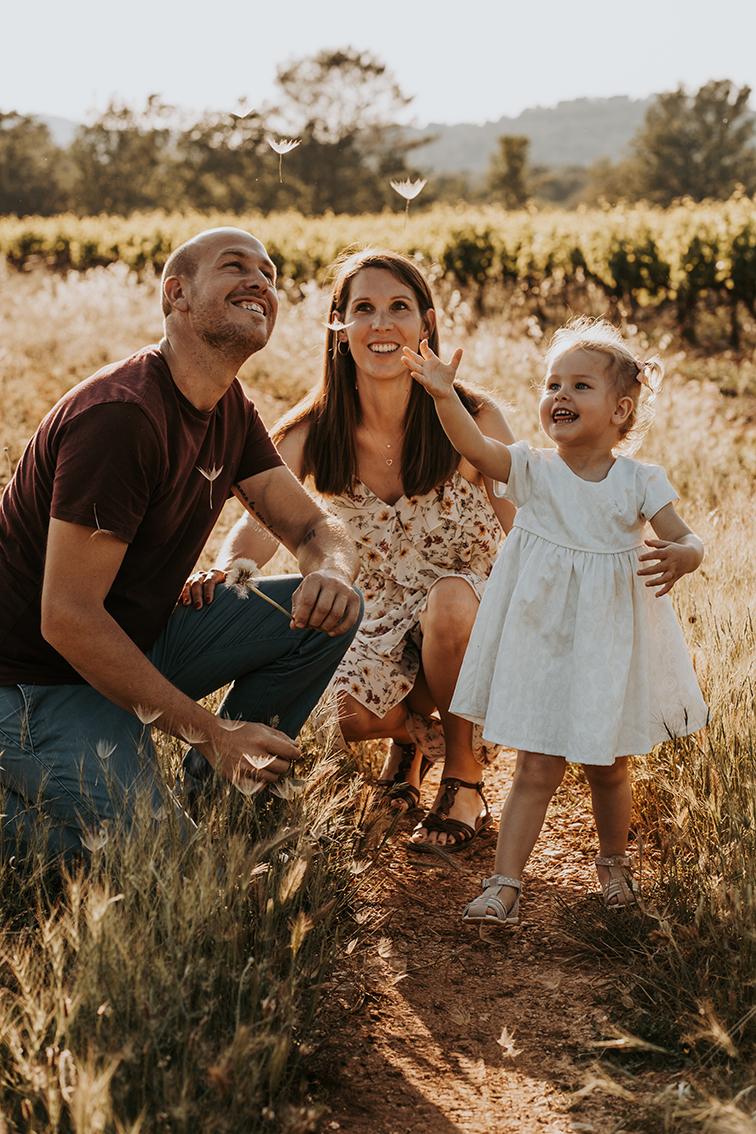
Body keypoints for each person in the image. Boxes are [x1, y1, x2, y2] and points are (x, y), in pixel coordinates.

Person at [0, 227, 362, 864]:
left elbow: (312, 528)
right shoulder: (121, 417)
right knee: (164, 860)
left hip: (132, 642)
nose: (261, 282)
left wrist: (330, 569)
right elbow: (67, 619)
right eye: (235, 266)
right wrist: (210, 732)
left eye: (269, 273)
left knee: (331, 615)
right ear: (178, 296)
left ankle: (222, 798)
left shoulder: (228, 409)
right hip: (33, 680)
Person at [183, 248, 516, 850]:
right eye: (363, 308)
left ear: (427, 324)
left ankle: (464, 778)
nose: (382, 324)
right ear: (340, 326)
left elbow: (521, 526)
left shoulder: (472, 416)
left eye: (399, 308)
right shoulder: (314, 428)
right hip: (383, 609)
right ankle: (411, 741)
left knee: (448, 602)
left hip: (473, 602)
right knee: (349, 715)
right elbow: (260, 524)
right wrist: (232, 566)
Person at [403, 316, 707, 930]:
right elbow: (474, 447)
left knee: (608, 765)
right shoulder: (533, 469)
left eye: (579, 386)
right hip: (543, 640)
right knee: (537, 764)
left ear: (622, 410)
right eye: (551, 384)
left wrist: (685, 555)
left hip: (608, 644)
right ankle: (504, 883)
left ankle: (614, 865)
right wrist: (442, 395)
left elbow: (685, 537)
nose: (559, 396)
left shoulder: (639, 482)